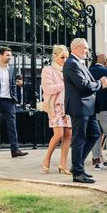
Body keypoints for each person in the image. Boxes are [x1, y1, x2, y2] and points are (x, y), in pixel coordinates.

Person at [63, 38, 107, 183]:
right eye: (85, 48)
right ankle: (77, 172)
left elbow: (87, 83)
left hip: (87, 107)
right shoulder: (71, 63)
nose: (87, 51)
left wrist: (96, 83)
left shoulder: (78, 63)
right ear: (76, 48)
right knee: (79, 139)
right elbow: (83, 85)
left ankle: (77, 166)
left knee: (94, 134)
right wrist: (100, 84)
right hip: (79, 107)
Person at [40, 45, 71, 174]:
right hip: (55, 106)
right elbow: (47, 89)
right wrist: (64, 84)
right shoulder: (48, 70)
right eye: (62, 57)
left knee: (68, 134)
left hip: (68, 105)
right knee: (58, 134)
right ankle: (46, 159)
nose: (65, 60)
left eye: (66, 57)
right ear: (55, 56)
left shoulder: (68, 70)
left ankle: (63, 164)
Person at [0, 47, 28, 157]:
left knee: (12, 126)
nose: (10, 57)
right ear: (0, 55)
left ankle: (15, 150)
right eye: (8, 55)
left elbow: (13, 83)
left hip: (9, 101)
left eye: (10, 55)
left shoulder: (11, 69)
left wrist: (15, 98)